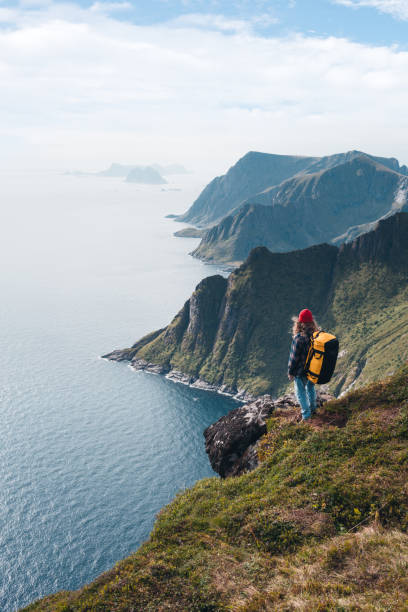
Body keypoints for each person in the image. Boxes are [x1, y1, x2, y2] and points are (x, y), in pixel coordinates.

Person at [288, 308, 319, 421]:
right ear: (312, 322)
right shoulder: (316, 336)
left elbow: (294, 358)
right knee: (310, 388)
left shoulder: (299, 339)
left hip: (301, 371)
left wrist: (290, 372)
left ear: (299, 323)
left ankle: (306, 416)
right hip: (314, 369)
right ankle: (313, 409)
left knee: (300, 393)